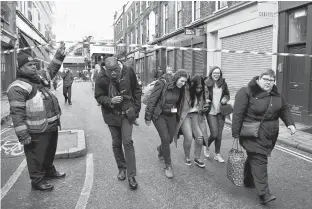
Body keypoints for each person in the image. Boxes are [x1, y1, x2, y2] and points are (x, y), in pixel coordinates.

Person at [7, 42, 67, 191]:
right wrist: (23, 135)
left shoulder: (39, 77)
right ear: (21, 68)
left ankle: (49, 171)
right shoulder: (17, 87)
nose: (33, 67)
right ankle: (37, 180)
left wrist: (59, 55)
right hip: (36, 130)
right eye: (29, 65)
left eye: (34, 64)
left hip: (50, 125)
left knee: (49, 151)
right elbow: (17, 114)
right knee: (36, 156)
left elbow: (52, 69)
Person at [232, 69, 296, 205]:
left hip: (270, 135)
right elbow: (237, 114)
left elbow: (284, 108)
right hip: (251, 134)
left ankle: (248, 179)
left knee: (254, 157)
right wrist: (236, 134)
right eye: (266, 79)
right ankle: (264, 194)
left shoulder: (276, 93)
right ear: (259, 79)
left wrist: (290, 124)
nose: (269, 82)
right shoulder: (246, 92)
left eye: (272, 80)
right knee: (259, 159)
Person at [94, 57, 142, 190]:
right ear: (105, 68)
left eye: (115, 70)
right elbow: (98, 96)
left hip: (127, 113)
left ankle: (131, 175)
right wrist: (110, 100)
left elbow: (137, 90)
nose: (113, 73)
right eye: (110, 71)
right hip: (111, 116)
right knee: (116, 143)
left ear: (119, 66)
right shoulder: (101, 77)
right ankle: (122, 168)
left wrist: (136, 109)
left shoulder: (128, 71)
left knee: (127, 142)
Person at [145, 69, 188, 179]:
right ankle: (168, 166)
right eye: (182, 81)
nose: (183, 84)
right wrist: (148, 116)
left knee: (169, 139)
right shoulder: (162, 83)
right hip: (159, 114)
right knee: (165, 138)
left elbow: (179, 102)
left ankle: (161, 149)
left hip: (171, 115)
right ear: (177, 78)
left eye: (185, 82)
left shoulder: (181, 88)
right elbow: (152, 100)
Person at [174, 75, 210, 168]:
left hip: (196, 115)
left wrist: (205, 107)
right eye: (197, 87)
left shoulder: (203, 91)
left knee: (200, 137)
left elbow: (205, 103)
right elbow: (176, 100)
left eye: (200, 88)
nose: (199, 89)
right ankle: (187, 157)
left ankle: (197, 158)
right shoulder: (185, 90)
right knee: (189, 137)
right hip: (185, 115)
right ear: (192, 85)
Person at [203, 66, 230, 163]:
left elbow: (227, 94)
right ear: (211, 73)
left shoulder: (223, 83)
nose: (216, 75)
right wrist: (205, 100)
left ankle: (217, 154)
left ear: (220, 74)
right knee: (214, 134)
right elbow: (200, 95)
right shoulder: (206, 83)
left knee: (219, 135)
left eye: (218, 73)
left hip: (220, 112)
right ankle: (206, 146)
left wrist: (225, 99)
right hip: (211, 112)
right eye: (214, 73)